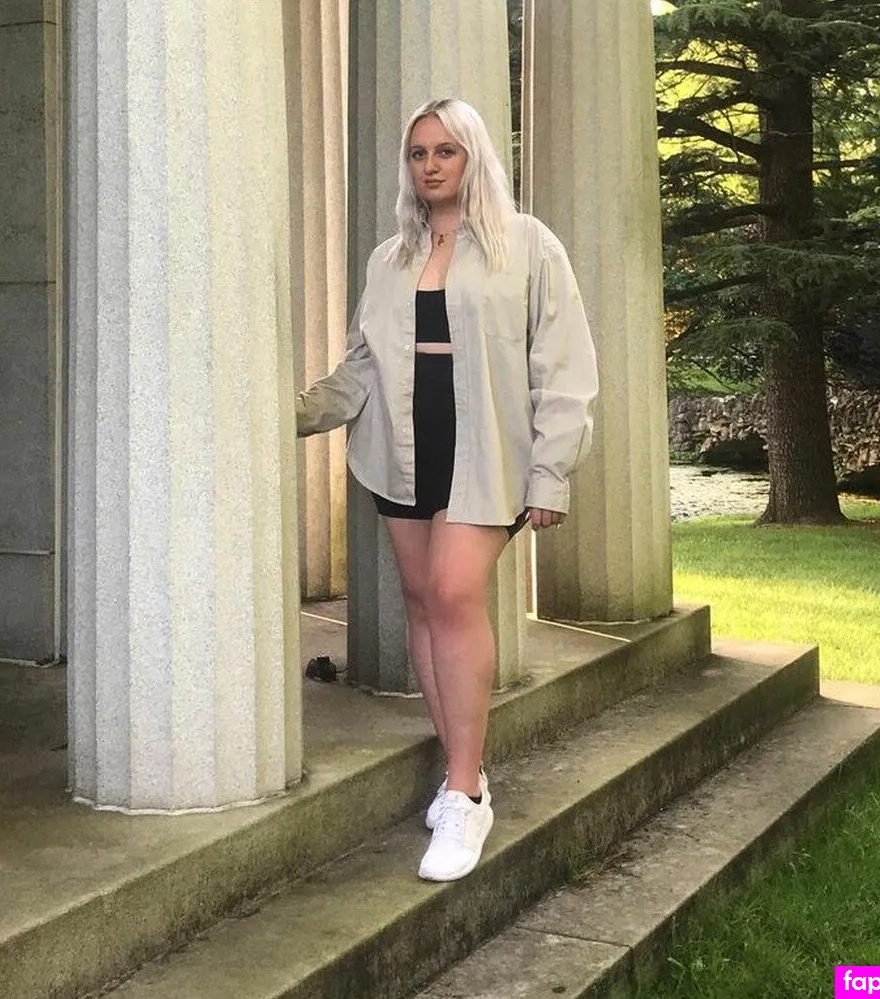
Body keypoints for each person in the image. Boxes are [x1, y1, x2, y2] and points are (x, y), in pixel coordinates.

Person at [296, 97, 598, 882]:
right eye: (418, 153)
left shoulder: (527, 245)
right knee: (424, 601)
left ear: (474, 156)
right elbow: (362, 368)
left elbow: (562, 366)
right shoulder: (388, 259)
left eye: (445, 151)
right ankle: (462, 771)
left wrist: (551, 469)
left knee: (455, 593)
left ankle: (466, 793)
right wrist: (289, 414)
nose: (430, 165)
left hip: (485, 450)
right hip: (400, 446)